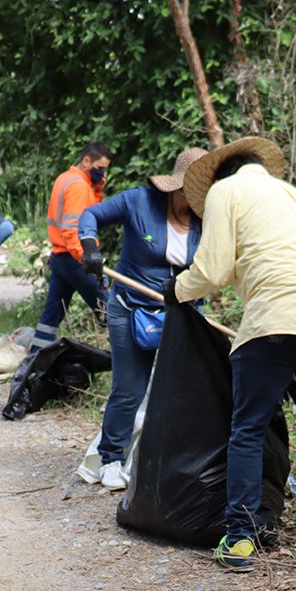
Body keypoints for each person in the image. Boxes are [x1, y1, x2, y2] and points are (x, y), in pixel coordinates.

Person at [163, 137, 296, 571]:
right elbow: (246, 263)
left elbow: (213, 270)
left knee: (248, 427)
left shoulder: (225, 192)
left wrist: (176, 289)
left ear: (219, 174)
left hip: (276, 317)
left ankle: (240, 538)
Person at [77, 147, 207, 491]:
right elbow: (89, 216)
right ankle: (110, 458)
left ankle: (172, 458)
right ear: (178, 187)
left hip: (182, 312)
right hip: (131, 307)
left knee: (191, 388)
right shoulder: (139, 202)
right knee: (129, 389)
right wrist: (90, 248)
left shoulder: (206, 219)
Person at [33, 142, 113, 350]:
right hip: (75, 259)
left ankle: (34, 360)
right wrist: (87, 258)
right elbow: (73, 229)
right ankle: (128, 363)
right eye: (100, 168)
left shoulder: (66, 179)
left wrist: (97, 190)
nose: (103, 173)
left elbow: (91, 214)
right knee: (110, 311)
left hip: (60, 258)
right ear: (87, 160)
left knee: (52, 315)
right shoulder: (78, 186)